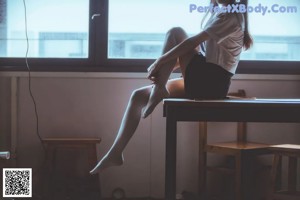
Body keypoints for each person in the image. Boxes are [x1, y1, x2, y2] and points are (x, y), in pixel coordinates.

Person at [90, 0, 253, 174]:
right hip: (207, 79)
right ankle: (116, 153)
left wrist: (160, 61)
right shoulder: (220, 12)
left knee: (175, 32)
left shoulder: (232, 16)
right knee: (138, 96)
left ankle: (159, 88)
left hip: (212, 81)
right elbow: (198, 54)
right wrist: (162, 69)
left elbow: (193, 43)